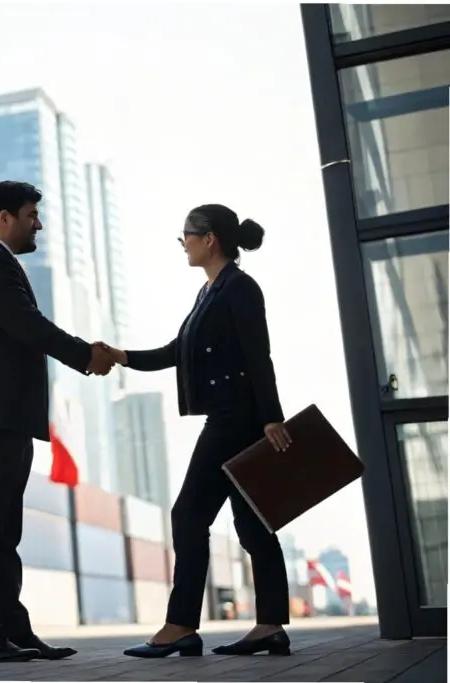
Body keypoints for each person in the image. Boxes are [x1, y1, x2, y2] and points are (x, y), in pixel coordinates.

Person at [104, 204, 294, 659]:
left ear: (209, 239)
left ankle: (181, 624)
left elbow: (258, 354)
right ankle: (270, 626)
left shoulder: (240, 288)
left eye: (186, 235)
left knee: (188, 514)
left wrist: (272, 417)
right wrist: (121, 355)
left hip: (237, 418)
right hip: (232, 417)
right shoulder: (211, 290)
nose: (183, 243)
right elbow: (179, 349)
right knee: (252, 523)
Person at [0, 180, 115, 663]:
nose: (37, 223)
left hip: (3, 415)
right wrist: (85, 354)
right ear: (4, 218)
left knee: (2, 531)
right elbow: (26, 325)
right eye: (30, 215)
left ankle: (12, 631)